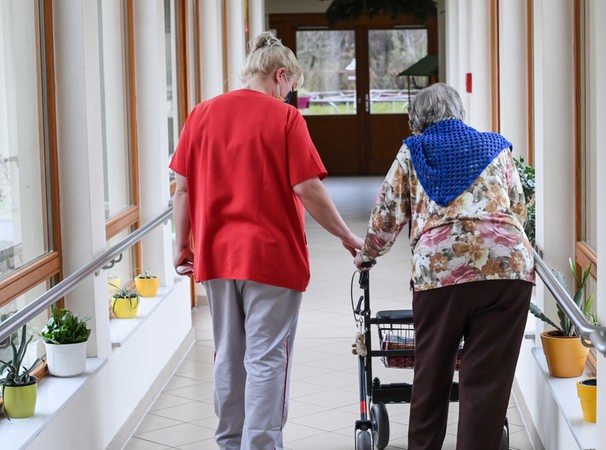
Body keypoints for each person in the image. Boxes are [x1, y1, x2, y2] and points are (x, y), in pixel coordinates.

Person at [169, 31, 363, 450]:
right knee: (267, 357)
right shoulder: (286, 119)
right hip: (273, 260)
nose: (290, 95)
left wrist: (181, 246)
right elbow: (308, 188)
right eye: (292, 86)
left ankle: (229, 441)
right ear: (280, 75)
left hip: (217, 257)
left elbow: (181, 189)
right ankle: (259, 445)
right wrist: (347, 236)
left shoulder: (200, 114)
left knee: (227, 355)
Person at [353, 83, 535, 450]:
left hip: (440, 274)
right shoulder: (497, 147)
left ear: (416, 121)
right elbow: (519, 208)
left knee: (432, 377)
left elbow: (387, 214)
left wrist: (368, 254)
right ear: (460, 112)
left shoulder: (413, 151)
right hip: (508, 268)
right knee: (486, 383)